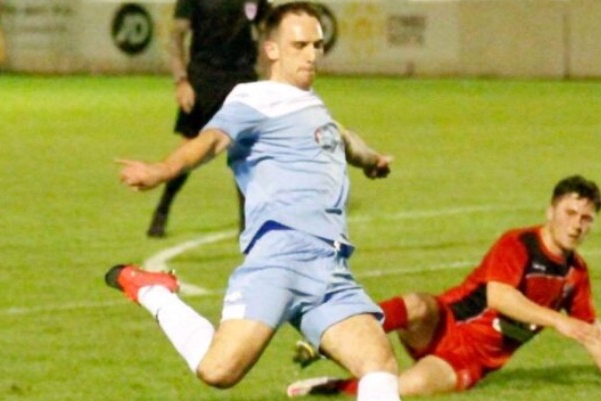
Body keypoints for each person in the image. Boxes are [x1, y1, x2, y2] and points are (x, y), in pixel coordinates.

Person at [107, 3, 401, 400]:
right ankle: (153, 292)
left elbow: (342, 138)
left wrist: (372, 160)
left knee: (379, 365)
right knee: (218, 371)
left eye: (317, 45)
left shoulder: (313, 107)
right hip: (281, 258)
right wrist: (162, 169)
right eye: (300, 45)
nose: (312, 55)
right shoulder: (254, 98)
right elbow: (211, 141)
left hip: (330, 268)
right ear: (272, 49)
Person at [286, 175, 601, 397]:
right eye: (570, 213)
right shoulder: (519, 244)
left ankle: (334, 387)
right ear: (550, 211)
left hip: (473, 361)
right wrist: (557, 320)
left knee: (414, 386)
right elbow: (499, 296)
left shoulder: (576, 273)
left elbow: (590, 330)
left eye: (586, 218)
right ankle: (337, 333)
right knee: (417, 303)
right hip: (443, 323)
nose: (576, 225)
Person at [147, 0, 271, 238]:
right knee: (190, 146)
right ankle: (163, 208)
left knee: (244, 151)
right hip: (203, 79)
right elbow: (177, 36)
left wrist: (269, 76)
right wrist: (181, 80)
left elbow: (268, 31)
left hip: (242, 78)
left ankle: (246, 223)